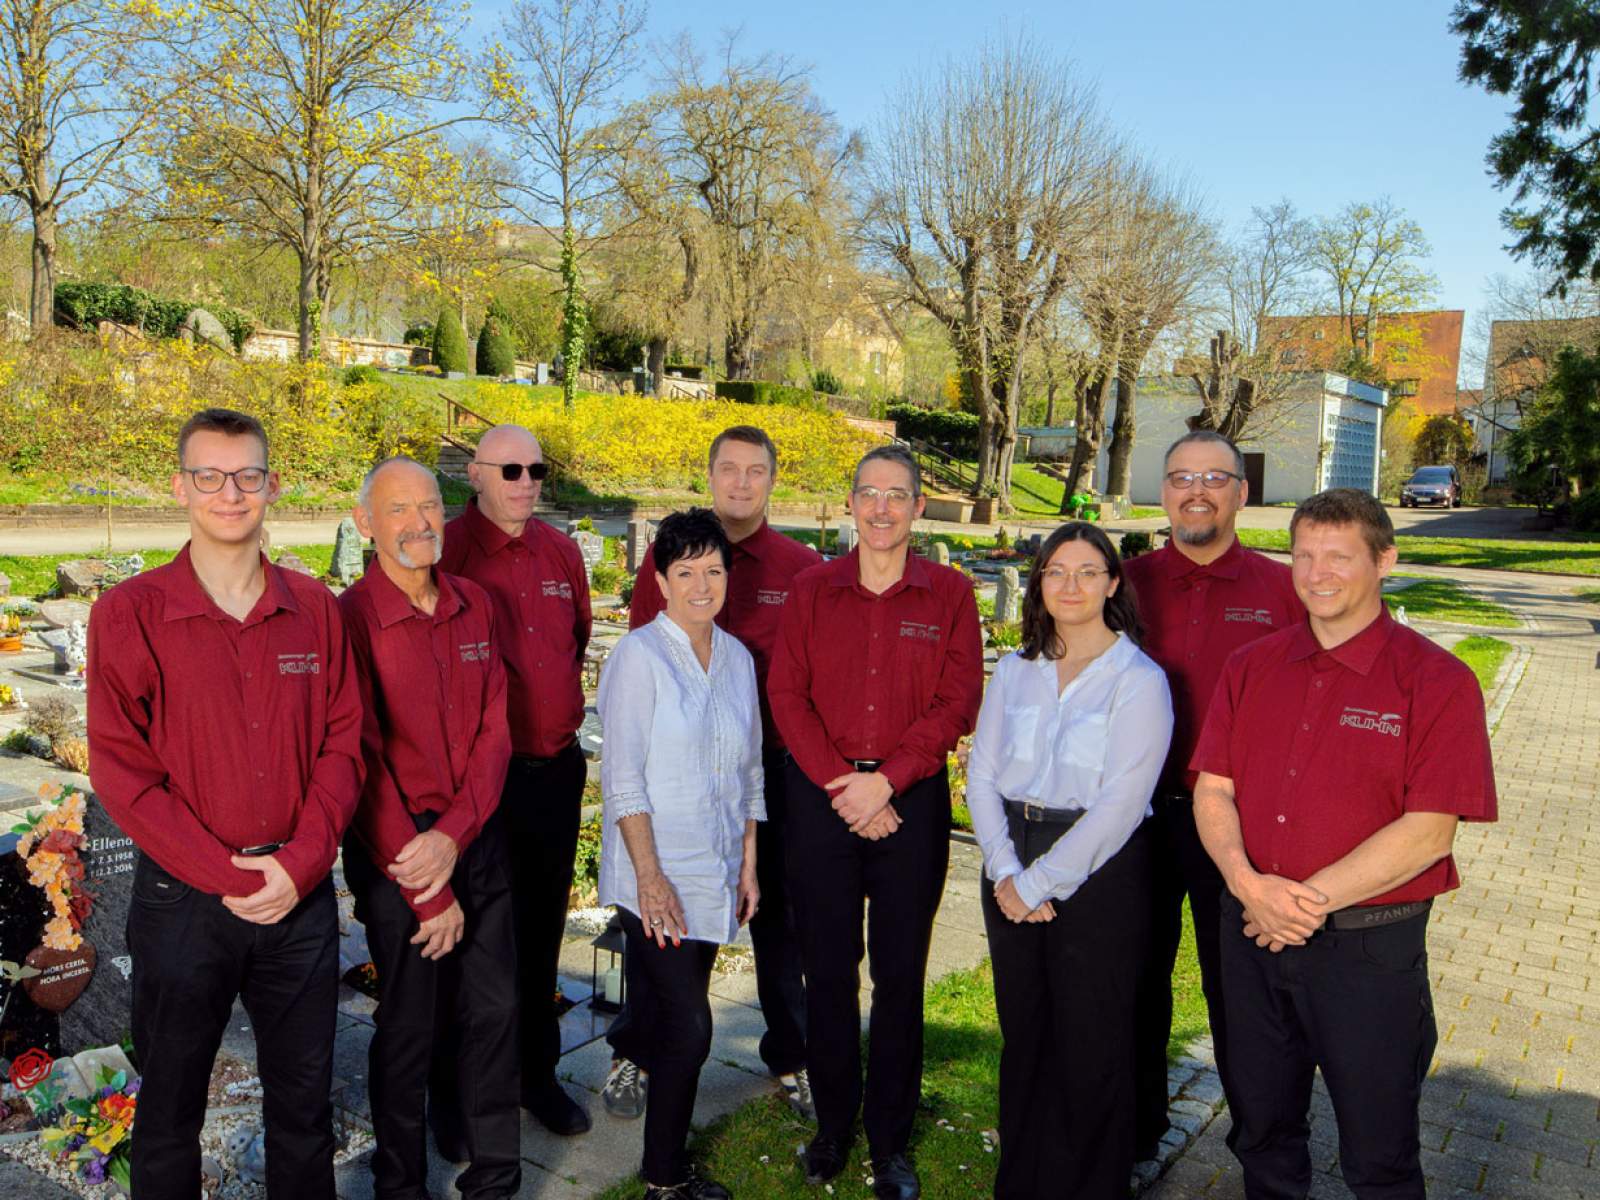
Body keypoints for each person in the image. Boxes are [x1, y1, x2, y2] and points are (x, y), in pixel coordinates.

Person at [86, 407, 364, 1197]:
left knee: (304, 1110)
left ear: (271, 485)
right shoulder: (130, 614)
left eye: (246, 475)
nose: (229, 493)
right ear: (181, 487)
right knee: (169, 1112)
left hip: (299, 901)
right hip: (183, 904)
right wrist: (230, 874)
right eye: (209, 476)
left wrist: (303, 863)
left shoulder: (314, 609)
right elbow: (121, 770)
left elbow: (345, 744)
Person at [1192, 489, 1498, 1200]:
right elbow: (1214, 790)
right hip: (1251, 937)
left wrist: (1299, 903)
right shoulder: (1251, 665)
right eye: (1303, 555)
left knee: (1379, 1152)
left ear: (1384, 559)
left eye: (1338, 556)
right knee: (1261, 1132)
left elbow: (1429, 831)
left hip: (1368, 952)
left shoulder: (1438, 682)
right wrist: (1249, 888)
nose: (1316, 572)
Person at [768, 445, 984, 1200]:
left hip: (910, 804)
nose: (883, 509)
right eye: (870, 494)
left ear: (919, 507)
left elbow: (956, 702)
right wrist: (843, 785)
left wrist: (887, 782)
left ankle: (890, 1140)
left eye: (898, 495)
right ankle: (833, 1126)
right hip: (824, 801)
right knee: (827, 973)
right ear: (851, 503)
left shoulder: (951, 595)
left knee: (899, 977)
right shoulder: (811, 589)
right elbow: (787, 695)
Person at [606, 425, 821, 1121]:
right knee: (659, 927)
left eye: (754, 471)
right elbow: (648, 657)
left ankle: (792, 1053)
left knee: (780, 921)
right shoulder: (672, 556)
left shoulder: (800, 566)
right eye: (727, 470)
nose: (740, 483)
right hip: (679, 780)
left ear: (771, 479)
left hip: (771, 771)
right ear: (710, 475)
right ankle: (640, 1050)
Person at [966, 521, 1173, 1199]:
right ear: (1039, 583)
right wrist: (1005, 873)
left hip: (1102, 867)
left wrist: (1041, 883)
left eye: (1088, 572)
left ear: (1113, 583)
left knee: (1092, 1041)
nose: (1071, 586)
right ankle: (1021, 1183)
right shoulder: (1016, 669)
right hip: (1011, 857)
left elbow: (1121, 803)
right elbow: (982, 775)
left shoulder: (1138, 679)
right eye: (1056, 571)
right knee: (1026, 1035)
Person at [338, 458, 520, 1197]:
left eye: (430, 506)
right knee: (411, 1023)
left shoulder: (474, 604)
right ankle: (399, 1181)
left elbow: (494, 732)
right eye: (398, 511)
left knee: (498, 1008)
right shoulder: (346, 618)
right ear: (365, 525)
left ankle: (496, 1174)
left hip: (471, 834)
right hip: (396, 850)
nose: (418, 523)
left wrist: (456, 836)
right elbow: (358, 755)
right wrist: (425, 883)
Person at [1122, 430, 1305, 1156]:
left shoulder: (1280, 591)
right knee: (1133, 979)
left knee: (1245, 994)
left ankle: (1263, 1143)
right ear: (1163, 491)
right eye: (1179, 478)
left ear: (1241, 492)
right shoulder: (1124, 583)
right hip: (1133, 818)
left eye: (1213, 478)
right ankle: (1136, 1133)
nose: (1195, 490)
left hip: (1236, 823)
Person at [596, 508, 765, 1200]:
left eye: (714, 570)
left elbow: (749, 769)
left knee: (677, 1018)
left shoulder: (737, 658)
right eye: (686, 572)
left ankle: (663, 1168)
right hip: (654, 874)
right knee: (692, 1026)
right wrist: (650, 878)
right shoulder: (638, 657)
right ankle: (663, 1177)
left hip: (715, 866)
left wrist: (749, 862)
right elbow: (623, 779)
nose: (702, 585)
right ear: (661, 580)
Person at [437, 423, 593, 1137]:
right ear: (475, 474)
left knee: (539, 936)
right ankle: (455, 1097)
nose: (526, 481)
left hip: (553, 775)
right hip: (478, 785)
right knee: (464, 945)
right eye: (511, 470)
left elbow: (577, 640)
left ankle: (536, 1075)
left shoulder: (560, 553)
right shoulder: (447, 553)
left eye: (537, 469)